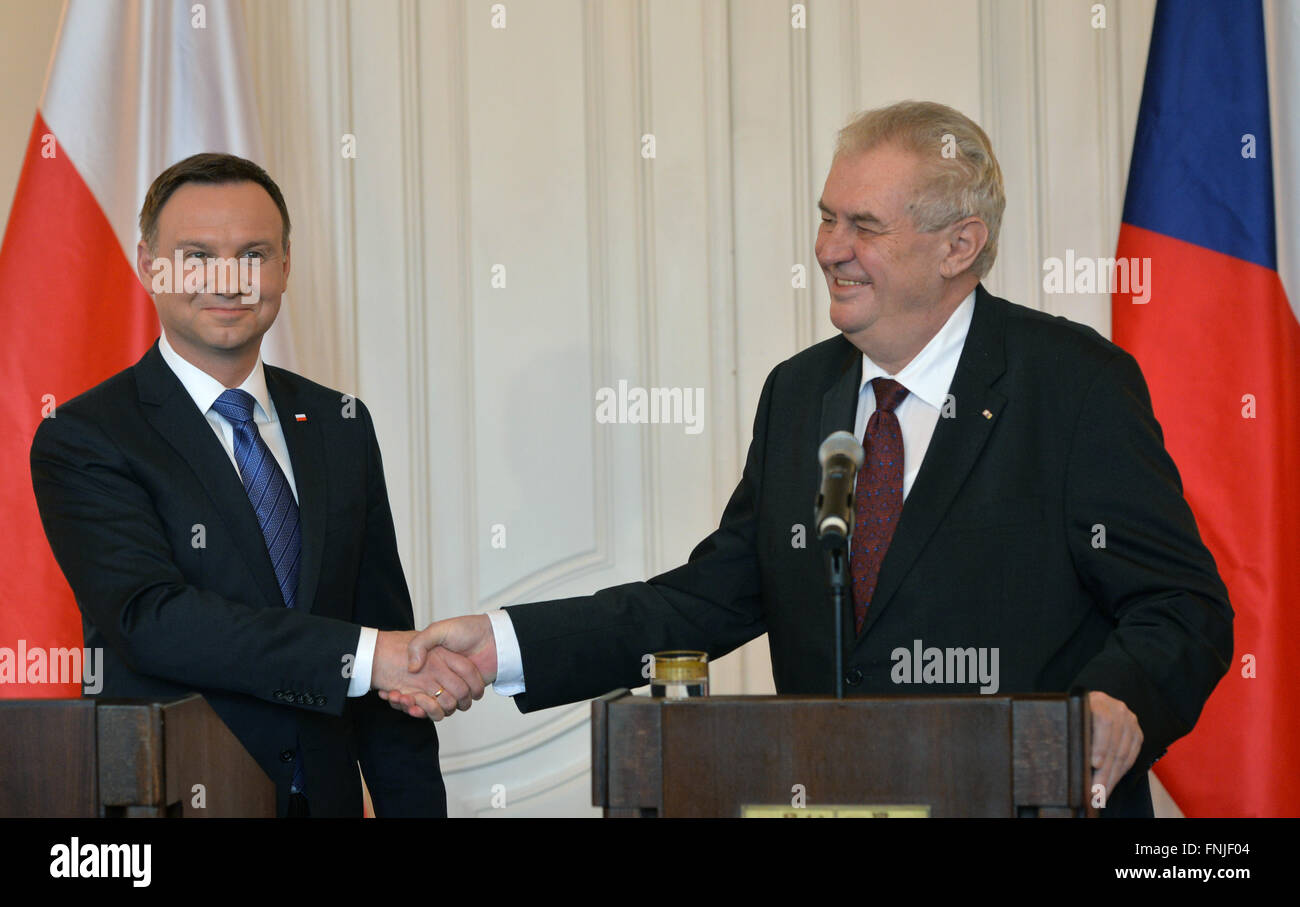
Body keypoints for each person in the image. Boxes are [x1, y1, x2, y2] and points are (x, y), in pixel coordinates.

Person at [383, 101, 1234, 817]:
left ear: (959, 244)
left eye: (864, 225)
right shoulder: (801, 393)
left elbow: (1181, 604)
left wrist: (1117, 700)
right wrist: (499, 645)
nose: (829, 247)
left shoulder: (1071, 383)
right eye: (827, 217)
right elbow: (710, 598)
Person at [30, 153, 484, 817]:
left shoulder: (341, 423)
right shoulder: (87, 435)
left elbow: (389, 652)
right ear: (149, 264)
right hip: (173, 802)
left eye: (254, 253)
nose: (228, 278)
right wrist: (363, 655)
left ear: (285, 267)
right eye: (196, 254)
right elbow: (153, 621)